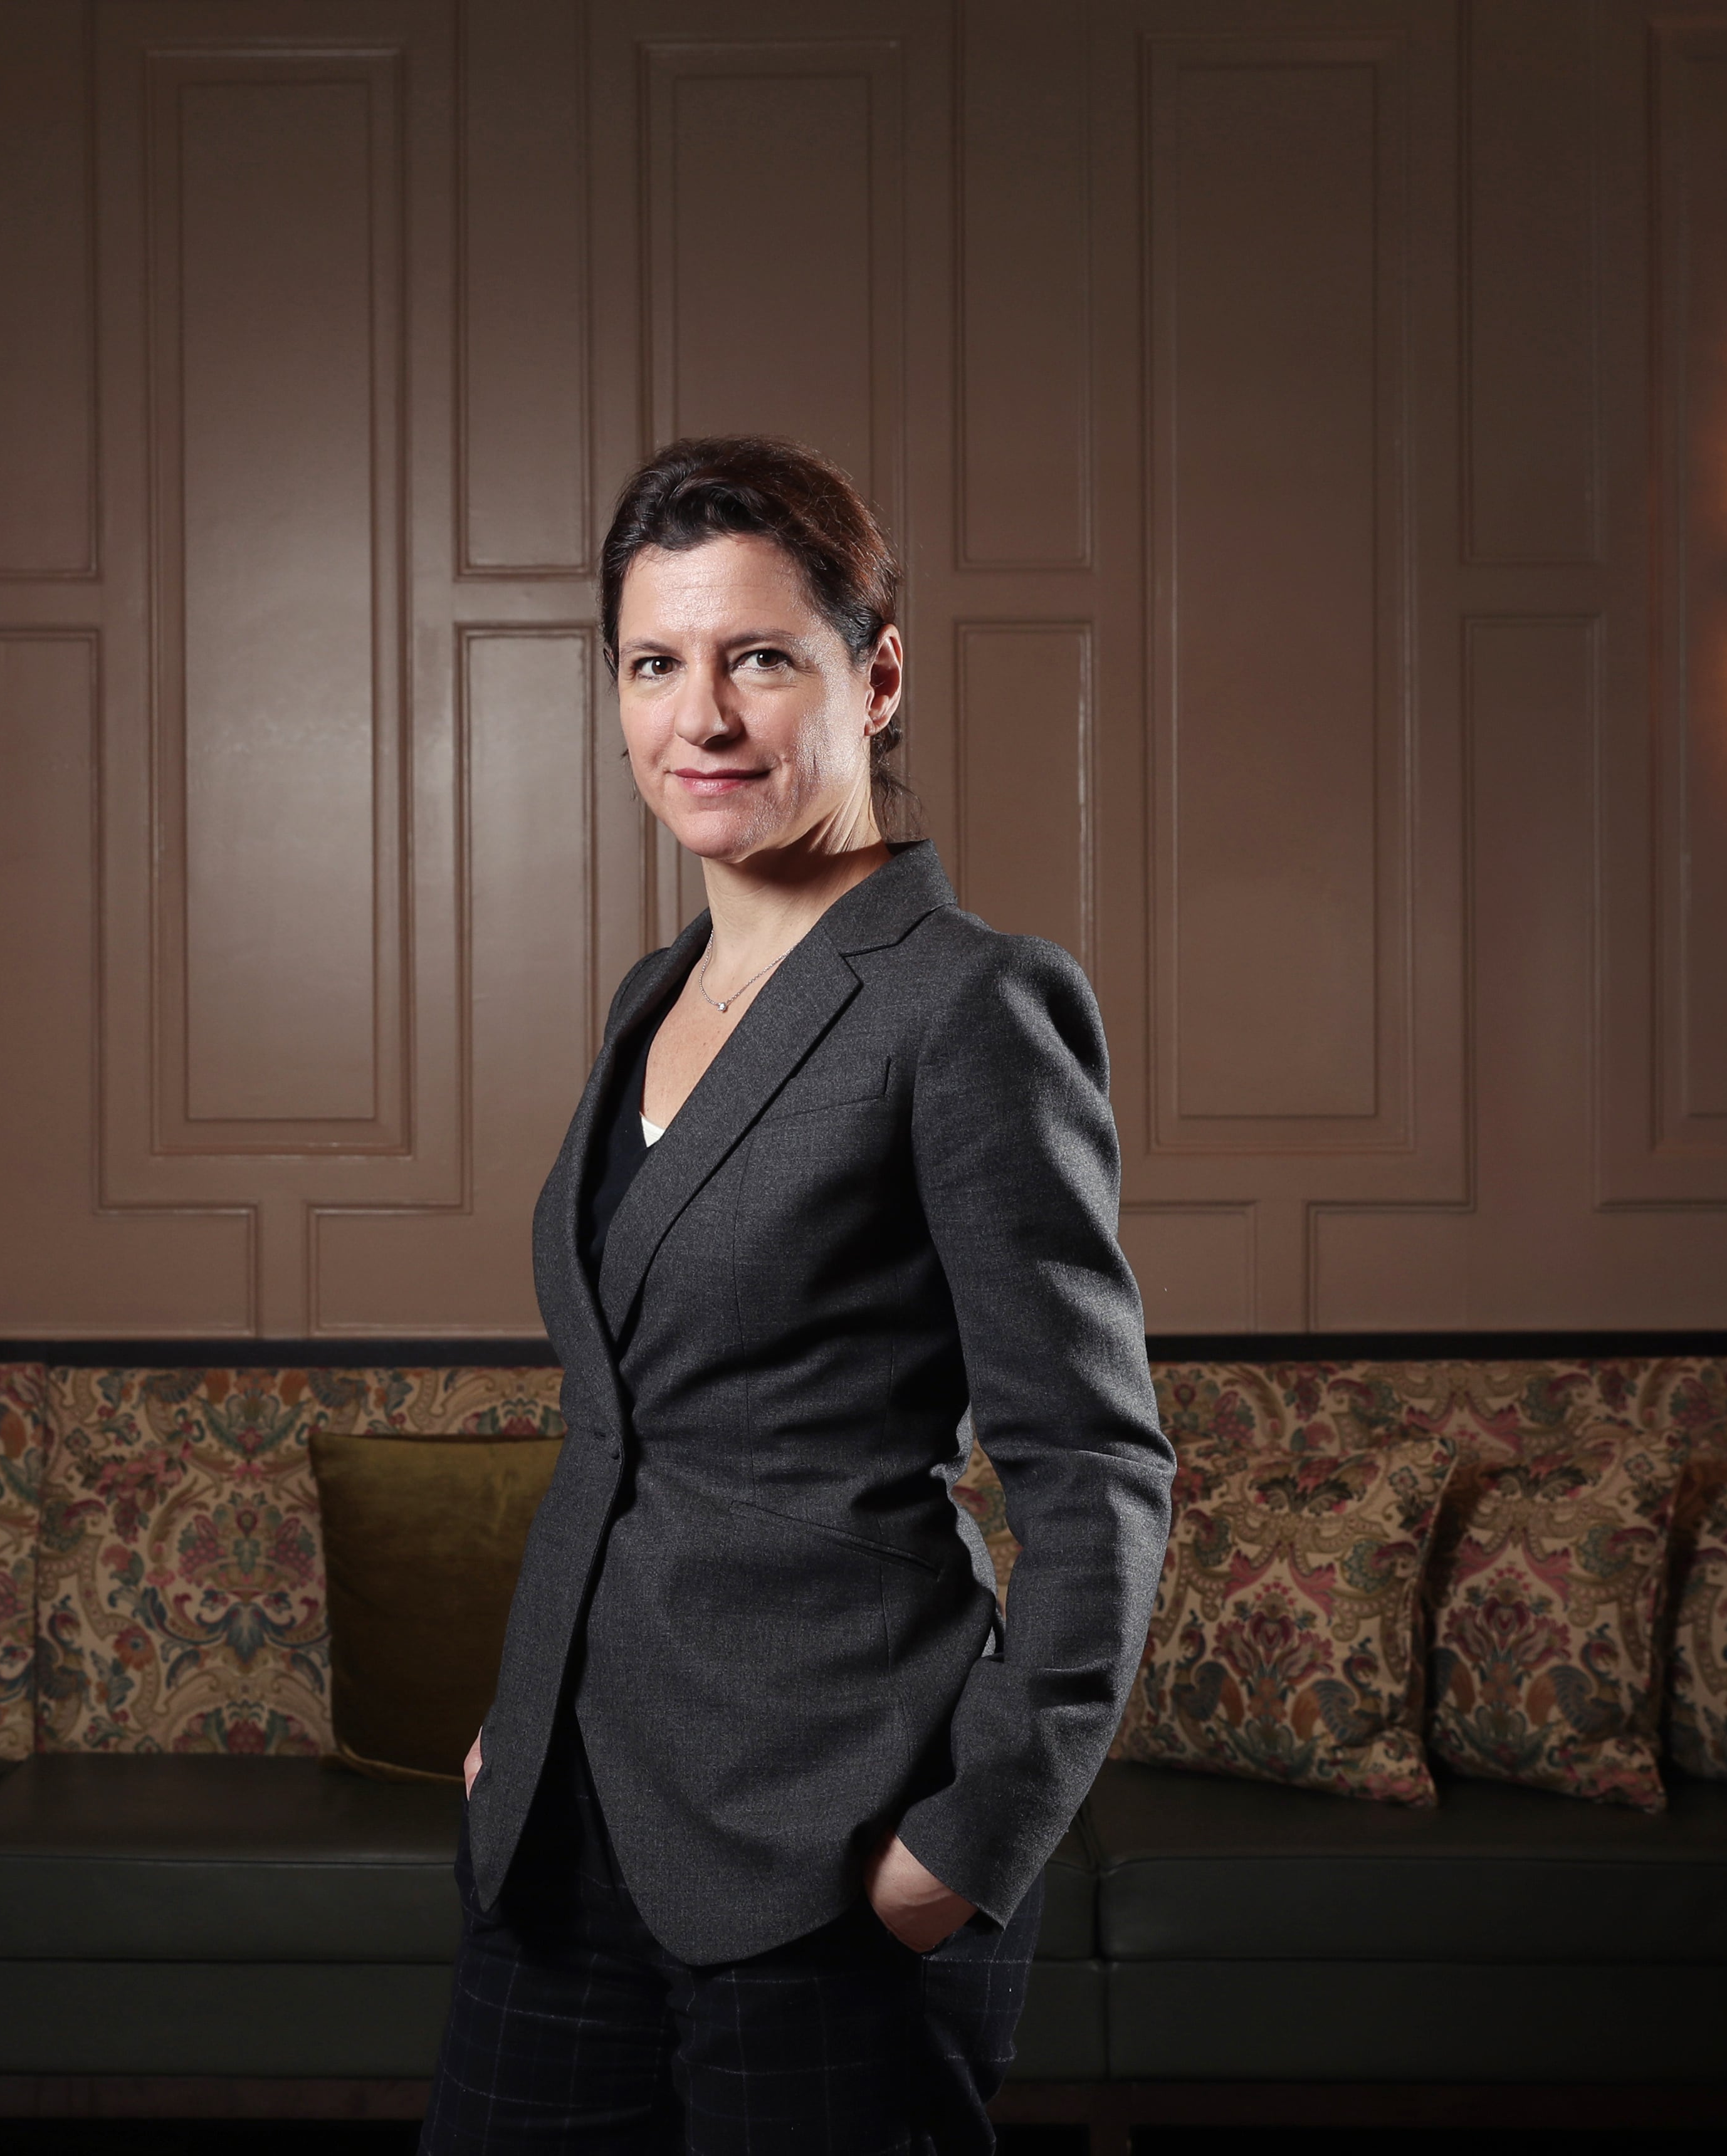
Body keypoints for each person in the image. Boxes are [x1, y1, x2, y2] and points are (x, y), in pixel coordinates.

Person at [421, 435, 1173, 2154]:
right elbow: (632, 1427)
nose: (701, 717)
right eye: (653, 665)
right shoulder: (655, 993)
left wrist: (966, 1842)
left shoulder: (968, 1003)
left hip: (832, 1842)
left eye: (757, 657)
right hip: (566, 1825)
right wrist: (522, 1718)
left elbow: (1094, 1466)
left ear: (874, 677)